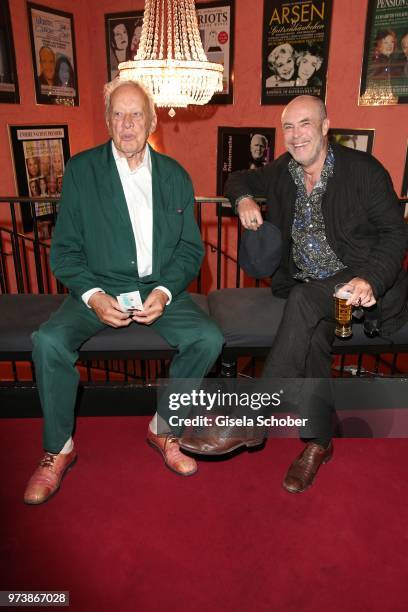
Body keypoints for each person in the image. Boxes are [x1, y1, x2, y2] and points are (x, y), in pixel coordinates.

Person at [183, 95, 408, 494]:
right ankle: (319, 444)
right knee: (314, 333)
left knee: (305, 303)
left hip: (360, 285)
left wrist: (371, 279)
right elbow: (237, 178)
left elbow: (396, 233)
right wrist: (244, 199)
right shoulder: (284, 171)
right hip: (311, 287)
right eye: (288, 127)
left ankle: (252, 420)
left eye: (305, 124)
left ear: (325, 127)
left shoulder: (363, 172)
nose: (296, 135)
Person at [23, 79, 224, 505]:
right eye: (118, 114)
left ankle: (163, 427)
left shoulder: (175, 176)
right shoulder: (81, 170)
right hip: (96, 288)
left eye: (136, 114)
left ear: (152, 121)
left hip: (157, 287)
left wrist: (167, 292)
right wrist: (93, 295)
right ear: (107, 120)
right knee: (47, 342)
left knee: (208, 338)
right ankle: (58, 448)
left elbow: (190, 249)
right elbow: (64, 252)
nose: (127, 123)